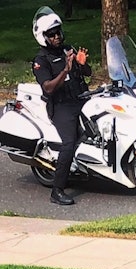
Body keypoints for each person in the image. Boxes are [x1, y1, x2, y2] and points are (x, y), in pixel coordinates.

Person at [32, 6, 91, 205]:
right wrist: (65, 70)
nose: (57, 36)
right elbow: (48, 88)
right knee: (69, 142)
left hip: (81, 98)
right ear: (43, 36)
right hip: (61, 106)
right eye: (52, 34)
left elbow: (88, 72)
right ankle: (57, 190)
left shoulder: (68, 49)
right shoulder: (41, 60)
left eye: (58, 32)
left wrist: (82, 64)